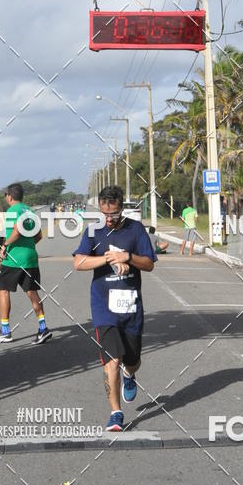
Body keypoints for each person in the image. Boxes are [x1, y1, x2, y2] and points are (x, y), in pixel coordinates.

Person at [73, 185, 156, 432]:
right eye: (105, 214)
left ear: (122, 208)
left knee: (132, 360)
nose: (109, 219)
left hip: (130, 306)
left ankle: (130, 376)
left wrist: (128, 257)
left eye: (114, 214)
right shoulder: (93, 231)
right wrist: (108, 257)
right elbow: (78, 262)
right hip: (103, 308)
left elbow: (149, 264)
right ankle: (116, 413)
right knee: (111, 361)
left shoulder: (136, 229)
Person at [0, 183, 52, 346]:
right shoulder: (29, 211)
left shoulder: (12, 211)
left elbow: (17, 230)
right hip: (30, 257)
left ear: (9, 196)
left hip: (13, 259)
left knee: (3, 291)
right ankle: (43, 328)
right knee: (32, 292)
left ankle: (5, 331)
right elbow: (38, 235)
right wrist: (28, 245)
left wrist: (5, 246)